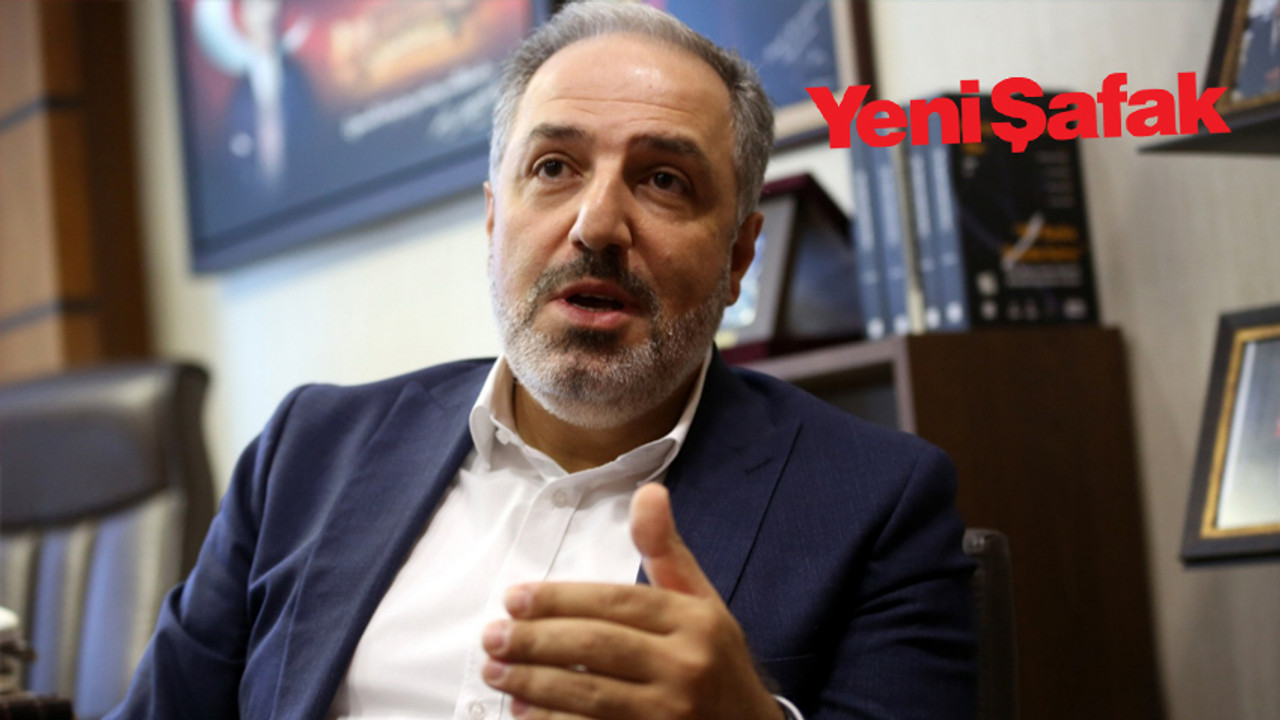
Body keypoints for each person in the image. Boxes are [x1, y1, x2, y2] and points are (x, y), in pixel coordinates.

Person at [107, 3, 974, 719]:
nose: (597, 225)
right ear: (494, 218)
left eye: (664, 180)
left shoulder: (877, 505)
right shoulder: (307, 451)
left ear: (740, 254)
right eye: (555, 166)